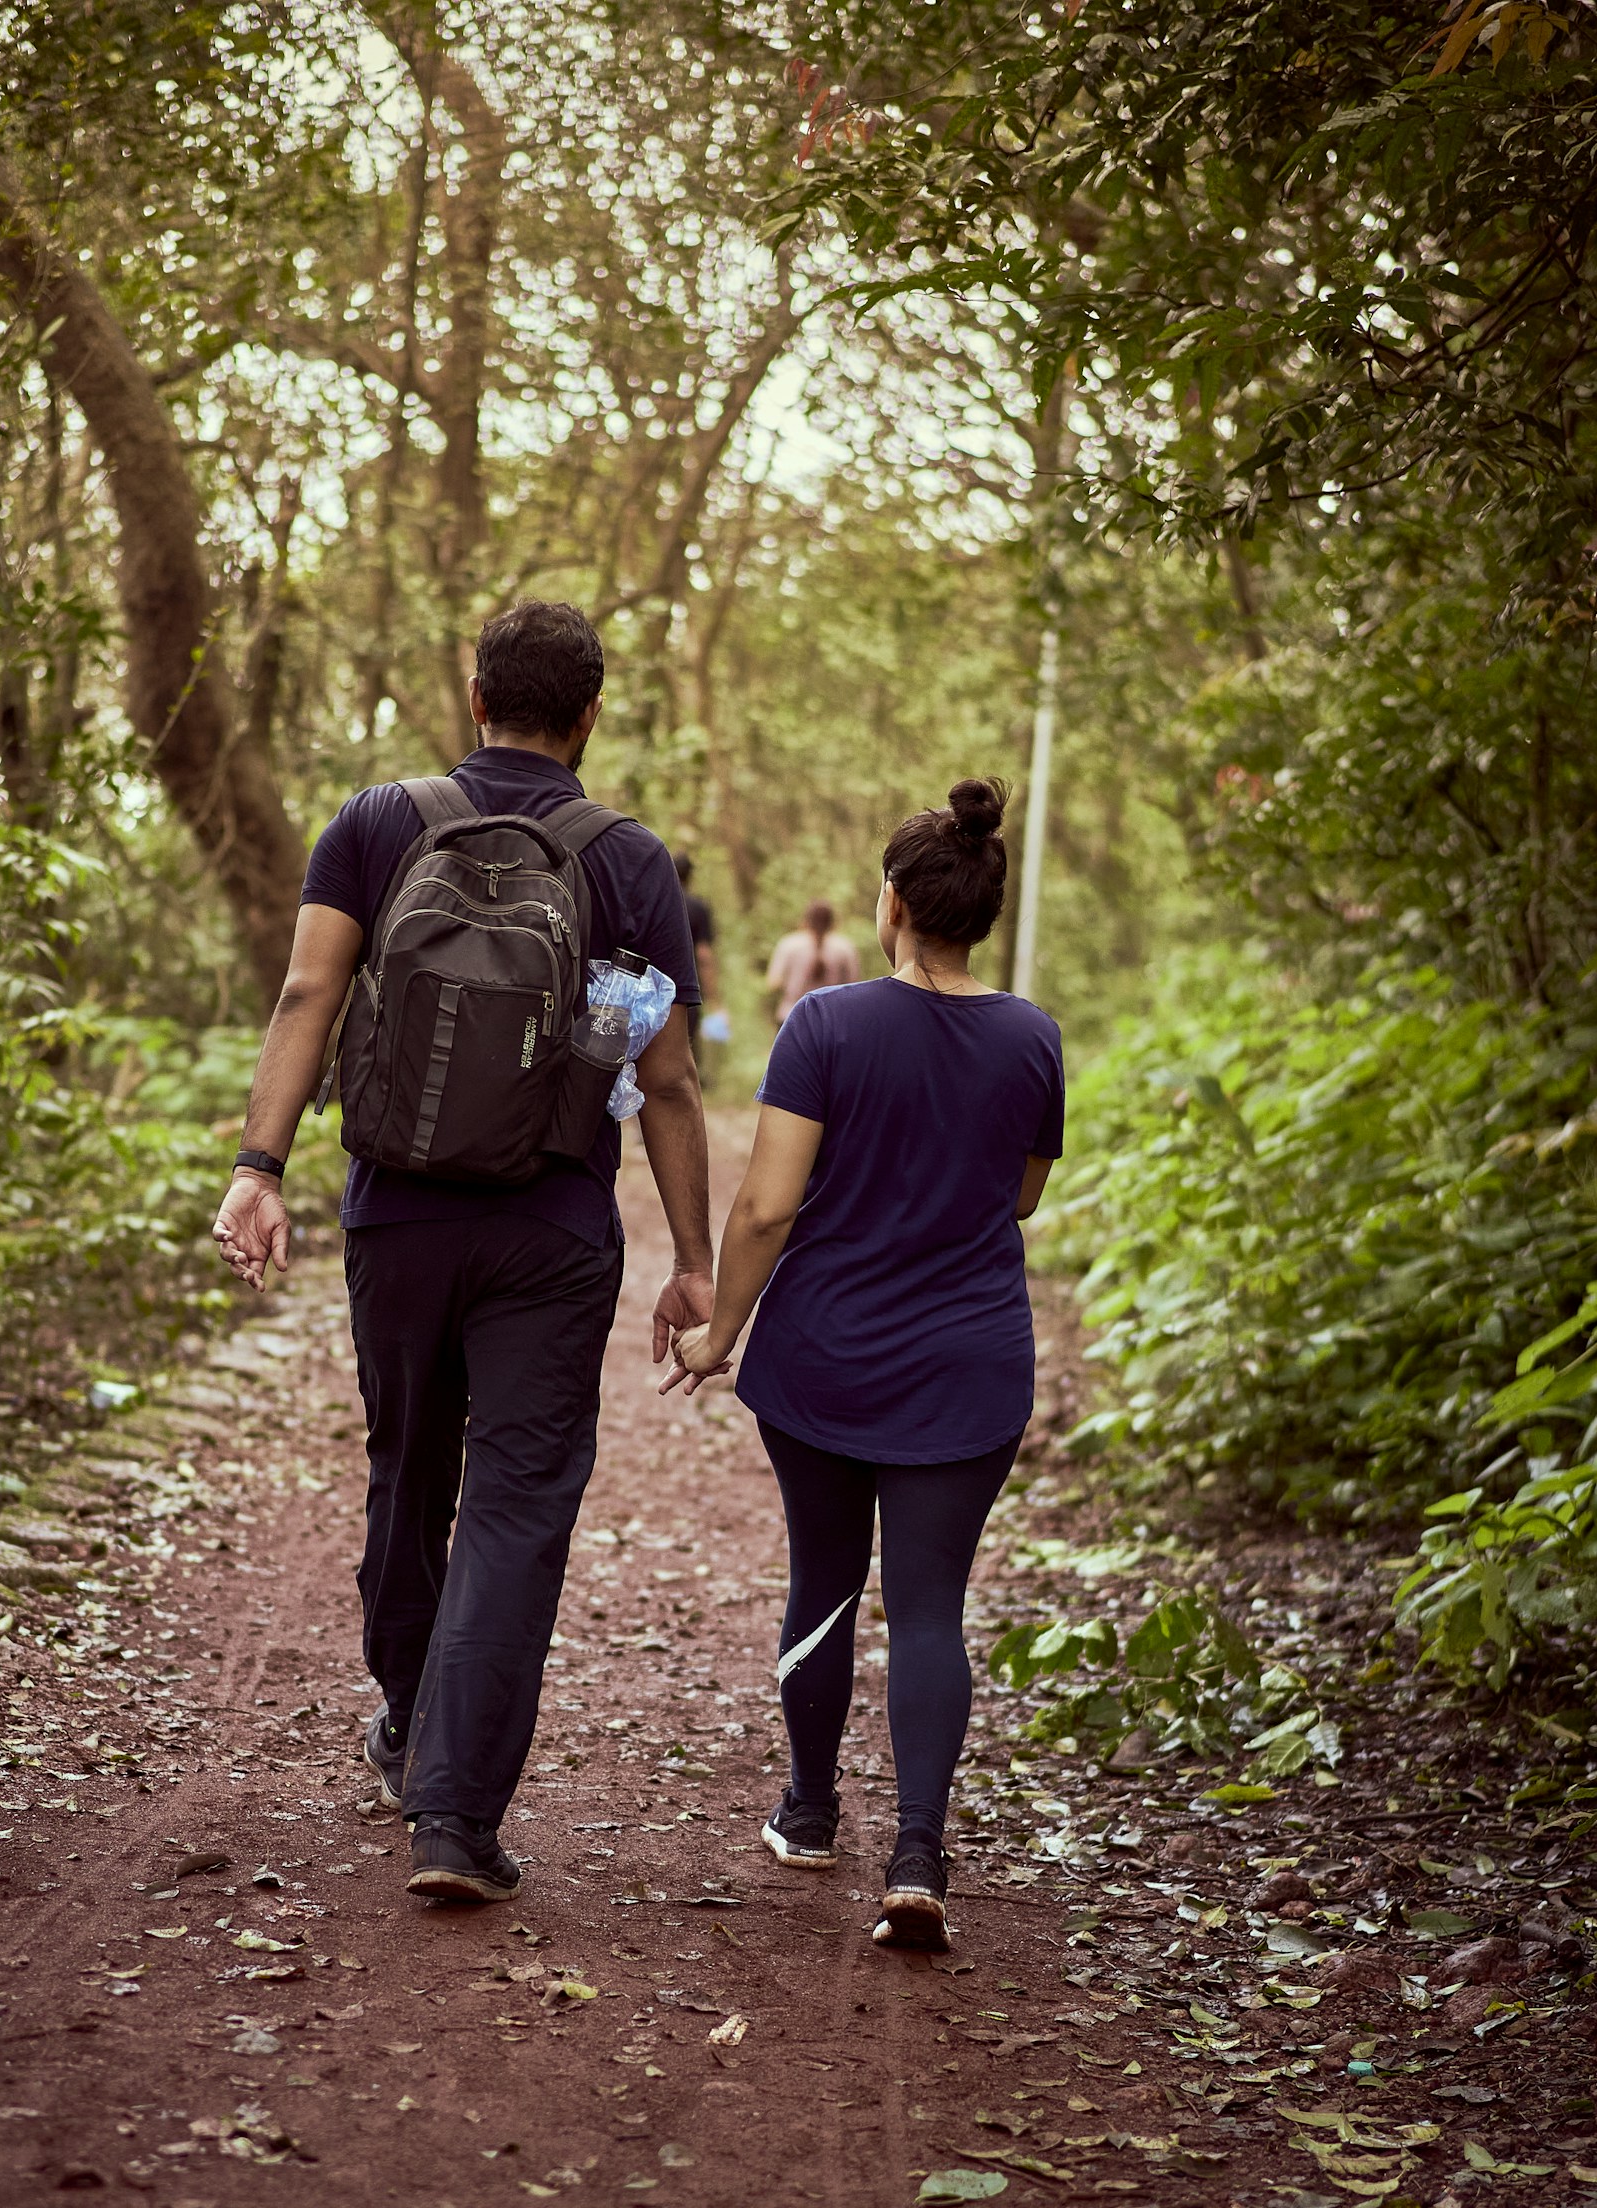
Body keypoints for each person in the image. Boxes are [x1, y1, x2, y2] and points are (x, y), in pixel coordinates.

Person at [212, 600, 713, 1905]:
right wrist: (695, 1257)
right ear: (590, 716)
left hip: (398, 1212)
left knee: (405, 1472)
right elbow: (659, 1081)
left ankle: (404, 1720)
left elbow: (308, 995)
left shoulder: (379, 822)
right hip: (551, 1228)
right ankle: (453, 1815)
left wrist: (258, 1168)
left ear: (473, 691)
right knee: (514, 1508)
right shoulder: (629, 862)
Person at [662, 778, 1062, 1952]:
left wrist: (717, 1331)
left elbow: (768, 1206)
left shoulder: (825, 1029)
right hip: (971, 1366)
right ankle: (921, 1852)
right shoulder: (1033, 1037)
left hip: (824, 1361)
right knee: (932, 1604)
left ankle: (811, 1809)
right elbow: (1022, 1195)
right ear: (981, 910)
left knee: (825, 1578)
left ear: (892, 904)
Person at [764, 898, 859, 1025]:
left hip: (791, 1017)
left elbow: (774, 982)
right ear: (832, 922)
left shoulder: (789, 944)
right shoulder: (845, 948)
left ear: (806, 920)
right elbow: (853, 986)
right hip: (831, 1021)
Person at [673, 851, 721, 1080]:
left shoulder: (656, 902)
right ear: (690, 876)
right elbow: (703, 954)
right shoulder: (698, 907)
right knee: (687, 1043)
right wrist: (713, 994)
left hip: (654, 984)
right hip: (687, 984)